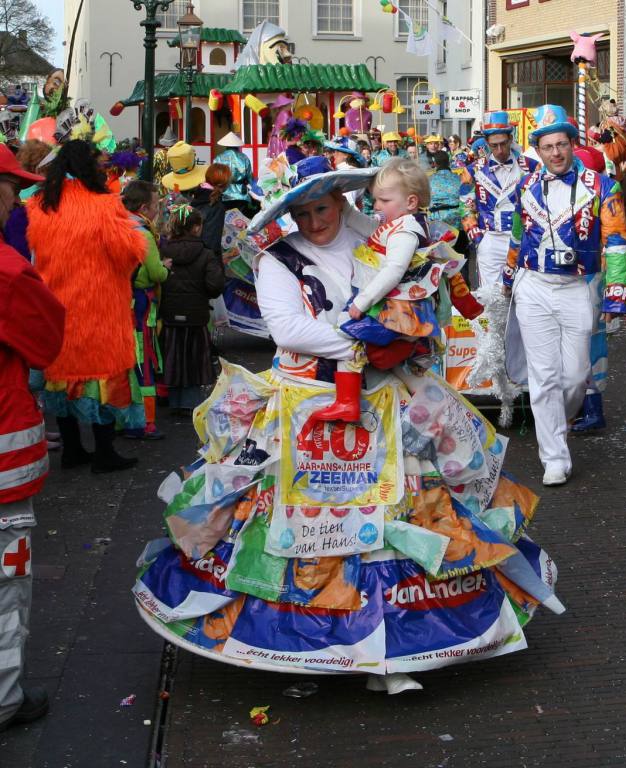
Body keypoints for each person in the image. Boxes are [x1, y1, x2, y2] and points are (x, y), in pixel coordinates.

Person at [132, 161, 563, 692]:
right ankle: (311, 645)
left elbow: (416, 281)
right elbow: (288, 329)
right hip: (307, 406)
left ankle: (394, 652)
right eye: (302, 213)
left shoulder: (377, 237)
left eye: (322, 208)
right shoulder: (276, 260)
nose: (314, 222)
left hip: (385, 398)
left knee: (396, 518)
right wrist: (369, 345)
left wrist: (405, 332)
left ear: (340, 201)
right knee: (309, 526)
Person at [503, 104, 626, 486]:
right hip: (534, 285)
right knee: (543, 377)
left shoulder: (602, 186)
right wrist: (509, 273)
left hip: (578, 286)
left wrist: (617, 292)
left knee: (575, 376)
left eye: (561, 144)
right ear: (538, 150)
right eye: (547, 146)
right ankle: (554, 458)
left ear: (573, 144)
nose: (555, 153)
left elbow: (617, 241)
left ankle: (564, 418)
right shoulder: (525, 186)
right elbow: (517, 234)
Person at [305, 158, 471, 423]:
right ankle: (426, 399)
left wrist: (362, 301)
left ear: (411, 202)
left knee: (348, 334)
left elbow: (394, 270)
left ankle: (348, 402)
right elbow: (372, 230)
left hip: (397, 307)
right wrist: (344, 207)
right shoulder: (402, 224)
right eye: (375, 200)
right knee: (390, 361)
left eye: (384, 200)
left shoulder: (406, 232)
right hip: (398, 304)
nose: (377, 206)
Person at [26, 139, 147, 474]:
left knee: (62, 378)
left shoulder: (39, 206)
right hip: (100, 308)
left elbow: (32, 254)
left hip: (56, 308)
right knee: (102, 378)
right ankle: (105, 451)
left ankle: (73, 450)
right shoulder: (104, 205)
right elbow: (128, 252)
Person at [0, 144, 64, 732]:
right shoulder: (8, 272)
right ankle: (4, 699)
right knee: (4, 587)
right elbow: (46, 342)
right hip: (3, 454)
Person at [458, 111, 538, 289]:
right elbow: (465, 204)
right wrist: (477, 236)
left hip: (522, 237)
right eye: (494, 145)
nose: (500, 150)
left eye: (503, 143)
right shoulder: (472, 170)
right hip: (490, 238)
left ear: (511, 139)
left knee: (523, 290)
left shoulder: (531, 167)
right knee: (490, 294)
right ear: (487, 143)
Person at [158, 203, 225, 414]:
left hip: (169, 314)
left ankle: (174, 400)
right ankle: (191, 401)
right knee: (194, 359)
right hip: (196, 315)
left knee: (172, 355)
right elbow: (214, 286)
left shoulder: (162, 251)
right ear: (196, 228)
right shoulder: (206, 254)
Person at [121, 180, 169, 440]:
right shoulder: (143, 233)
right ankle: (144, 422)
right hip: (140, 305)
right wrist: (165, 267)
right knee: (144, 359)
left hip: (119, 302)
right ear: (143, 208)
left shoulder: (116, 225)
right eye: (155, 206)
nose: (157, 210)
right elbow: (156, 273)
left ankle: (121, 420)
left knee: (124, 361)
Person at [213, 131, 254, 212]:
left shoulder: (218, 158)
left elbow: (214, 178)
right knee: (240, 218)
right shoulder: (244, 158)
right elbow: (249, 178)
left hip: (224, 193)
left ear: (226, 145)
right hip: (241, 194)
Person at [427, 150, 462, 228]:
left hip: (437, 221)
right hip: (457, 219)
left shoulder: (429, 180)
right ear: (448, 162)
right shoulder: (459, 178)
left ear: (435, 163)